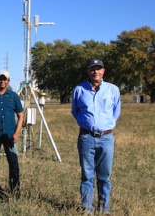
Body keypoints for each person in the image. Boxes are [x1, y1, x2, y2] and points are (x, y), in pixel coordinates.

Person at [72, 59, 121, 215]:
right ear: (88, 71)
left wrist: (107, 125)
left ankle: (104, 208)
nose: (96, 72)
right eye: (92, 69)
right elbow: (75, 111)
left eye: (98, 69)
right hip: (86, 137)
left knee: (104, 176)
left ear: (103, 71)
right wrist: (87, 124)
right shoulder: (79, 90)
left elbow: (116, 111)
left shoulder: (112, 89)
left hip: (106, 138)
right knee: (87, 175)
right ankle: (87, 209)